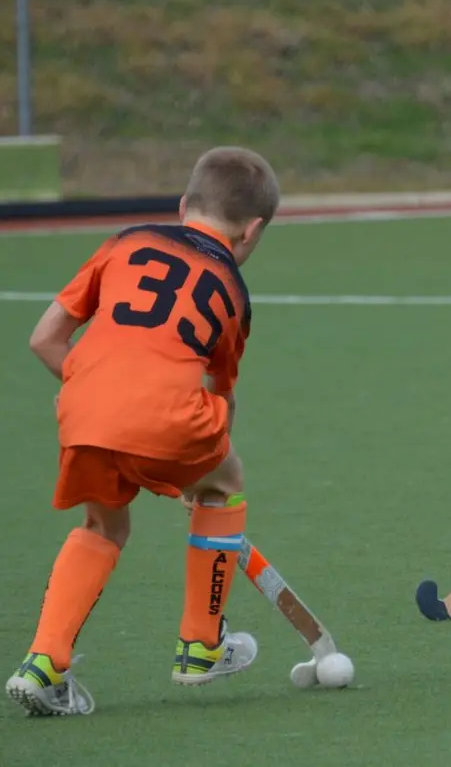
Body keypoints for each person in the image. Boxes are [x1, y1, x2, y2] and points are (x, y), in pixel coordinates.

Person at [6, 146, 280, 715]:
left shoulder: (124, 243)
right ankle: (201, 645)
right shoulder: (233, 293)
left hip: (83, 405)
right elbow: (222, 400)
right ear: (252, 231)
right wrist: (195, 477)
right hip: (172, 415)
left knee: (103, 524)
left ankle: (44, 663)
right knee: (225, 481)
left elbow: (44, 339)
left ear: (183, 206)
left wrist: (95, 390)